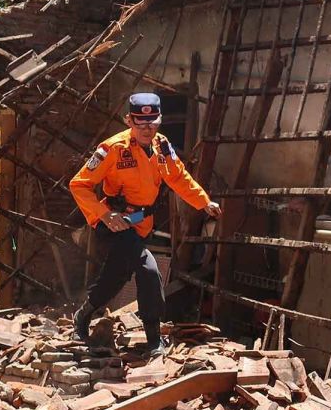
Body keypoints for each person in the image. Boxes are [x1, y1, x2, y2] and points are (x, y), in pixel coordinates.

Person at [69, 92, 221, 355]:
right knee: (149, 270)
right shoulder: (111, 149)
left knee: (115, 277)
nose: (147, 129)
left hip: (142, 222)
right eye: (140, 123)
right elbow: (79, 185)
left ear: (159, 120)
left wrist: (203, 202)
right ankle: (153, 338)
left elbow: (179, 178)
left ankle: (83, 315)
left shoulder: (162, 146)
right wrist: (105, 215)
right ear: (129, 120)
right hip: (116, 222)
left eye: (152, 123)